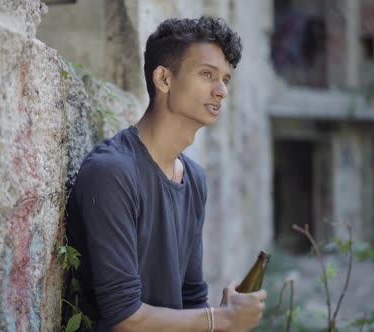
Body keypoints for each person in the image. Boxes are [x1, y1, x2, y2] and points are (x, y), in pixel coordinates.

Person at [65, 16, 267, 332]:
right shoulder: (112, 172)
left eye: (225, 79)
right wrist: (222, 319)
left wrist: (221, 314)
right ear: (164, 79)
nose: (222, 91)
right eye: (207, 75)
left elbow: (191, 297)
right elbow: (124, 319)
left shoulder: (194, 179)